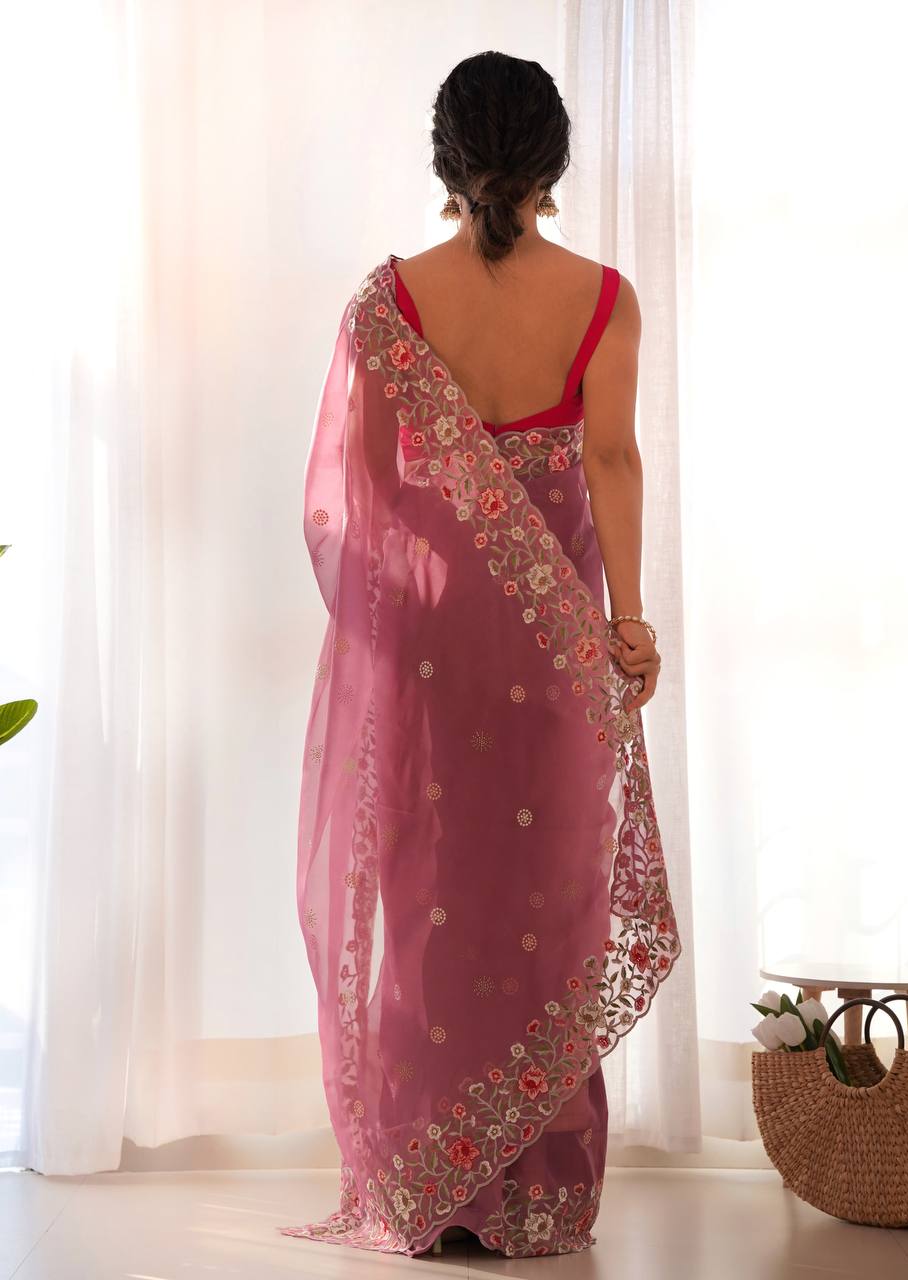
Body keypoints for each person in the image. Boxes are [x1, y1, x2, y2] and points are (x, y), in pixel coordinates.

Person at [277, 50, 682, 1260]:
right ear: (553, 162)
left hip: (435, 653)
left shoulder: (390, 303)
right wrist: (627, 622)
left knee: (433, 902)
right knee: (550, 905)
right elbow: (610, 460)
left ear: (445, 159)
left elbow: (359, 494)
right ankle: (539, 1191)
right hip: (558, 657)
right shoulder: (602, 297)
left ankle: (433, 1183)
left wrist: (452, 543)